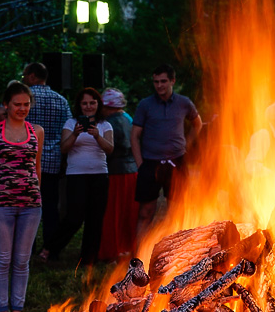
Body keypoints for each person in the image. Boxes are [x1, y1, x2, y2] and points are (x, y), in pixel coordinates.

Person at [0, 81, 43, 312]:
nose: (22, 108)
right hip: (1, 202)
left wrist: (38, 192)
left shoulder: (36, 131)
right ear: (6, 105)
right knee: (3, 258)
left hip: (30, 203)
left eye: (26, 104)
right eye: (17, 104)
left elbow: (37, 166)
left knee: (22, 260)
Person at [132, 64, 202, 243]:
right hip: (150, 162)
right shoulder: (145, 104)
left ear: (172, 81)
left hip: (176, 161)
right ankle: (140, 255)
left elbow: (197, 123)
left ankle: (177, 250)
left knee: (178, 210)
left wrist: (187, 143)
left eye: (163, 81)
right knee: (146, 212)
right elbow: (135, 135)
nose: (159, 85)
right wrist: (140, 164)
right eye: (156, 82)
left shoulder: (183, 102)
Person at [44, 87, 114, 267]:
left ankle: (88, 259)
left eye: (92, 102)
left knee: (95, 218)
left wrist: (97, 136)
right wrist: (75, 133)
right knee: (74, 217)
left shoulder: (105, 125)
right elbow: (64, 148)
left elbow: (110, 149)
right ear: (79, 105)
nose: (89, 106)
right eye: (85, 103)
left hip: (99, 175)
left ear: (98, 104)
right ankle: (50, 249)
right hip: (76, 175)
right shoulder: (70, 123)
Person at [21, 62, 72, 255]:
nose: (24, 78)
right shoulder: (61, 100)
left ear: (33, 76)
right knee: (50, 208)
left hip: (26, 160)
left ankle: (27, 248)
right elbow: (67, 131)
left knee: (27, 207)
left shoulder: (24, 99)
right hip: (52, 160)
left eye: (25, 75)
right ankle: (50, 248)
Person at [98, 88, 138, 261]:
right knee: (129, 213)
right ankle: (129, 247)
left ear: (108, 107)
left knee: (112, 213)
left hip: (115, 172)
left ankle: (112, 249)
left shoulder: (110, 122)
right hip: (132, 170)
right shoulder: (129, 118)